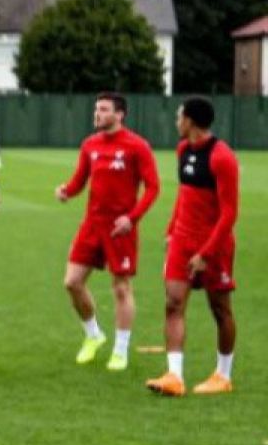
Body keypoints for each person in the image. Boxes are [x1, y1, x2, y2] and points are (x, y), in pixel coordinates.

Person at [55, 93, 159, 372]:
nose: (97, 114)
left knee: (121, 288)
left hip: (120, 228)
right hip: (91, 224)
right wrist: (66, 191)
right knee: (72, 282)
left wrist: (132, 218)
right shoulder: (90, 144)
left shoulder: (137, 146)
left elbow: (153, 188)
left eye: (103, 109)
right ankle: (93, 335)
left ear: (120, 114)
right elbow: (79, 181)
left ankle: (120, 350)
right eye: (96, 109)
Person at [146, 97, 239, 396]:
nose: (176, 122)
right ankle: (174, 376)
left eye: (179, 117)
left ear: (191, 121)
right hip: (183, 241)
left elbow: (229, 214)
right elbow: (185, 194)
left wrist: (206, 253)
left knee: (220, 309)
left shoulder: (222, 157)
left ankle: (223, 375)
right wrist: (172, 230)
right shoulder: (183, 149)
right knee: (173, 303)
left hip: (214, 245)